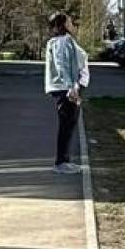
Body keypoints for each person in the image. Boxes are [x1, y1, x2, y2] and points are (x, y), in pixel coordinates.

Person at [43, 12, 90, 174]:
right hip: (65, 88)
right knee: (66, 124)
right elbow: (62, 65)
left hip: (70, 87)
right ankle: (60, 161)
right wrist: (72, 88)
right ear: (61, 25)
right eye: (69, 22)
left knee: (70, 124)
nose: (72, 24)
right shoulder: (59, 42)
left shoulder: (65, 41)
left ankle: (65, 159)